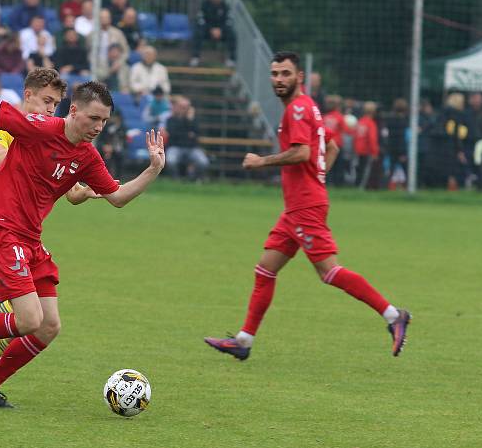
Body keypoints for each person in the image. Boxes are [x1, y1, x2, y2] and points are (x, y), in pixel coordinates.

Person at [0, 77, 167, 408]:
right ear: (74, 111)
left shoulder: (87, 156)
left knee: (49, 326)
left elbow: (116, 197)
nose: (99, 127)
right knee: (28, 319)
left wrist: (153, 169)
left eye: (104, 121)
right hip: (1, 230)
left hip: (30, 239)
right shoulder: (41, 128)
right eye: (93, 118)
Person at [204, 51, 411, 361]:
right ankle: (244, 340)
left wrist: (262, 161)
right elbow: (331, 145)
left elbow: (301, 153)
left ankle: (394, 316)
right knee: (265, 269)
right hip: (298, 206)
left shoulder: (298, 110)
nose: (278, 79)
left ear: (299, 77)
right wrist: (318, 179)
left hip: (304, 206)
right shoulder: (308, 107)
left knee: (329, 272)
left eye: (285, 73)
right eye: (274, 74)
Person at [0, 69, 106, 395]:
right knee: (21, 312)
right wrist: (31, 141)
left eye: (56, 105)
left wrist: (83, 190)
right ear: (27, 95)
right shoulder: (5, 128)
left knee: (42, 320)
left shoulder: (46, 135)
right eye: (46, 101)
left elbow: (66, 190)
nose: (50, 110)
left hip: (23, 235)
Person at [164, 95, 208, 181]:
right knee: (171, 161)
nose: (185, 109)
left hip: (192, 148)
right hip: (175, 147)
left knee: (203, 162)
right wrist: (188, 134)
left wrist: (189, 121)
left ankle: (193, 179)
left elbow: (197, 133)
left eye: (187, 107)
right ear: (177, 107)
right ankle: (175, 180)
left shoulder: (193, 120)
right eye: (182, 107)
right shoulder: (171, 119)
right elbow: (173, 134)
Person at [191, 0, 236, 68]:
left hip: (221, 32)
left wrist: (220, 30)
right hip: (208, 31)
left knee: (232, 33)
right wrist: (211, 29)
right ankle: (195, 57)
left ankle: (232, 59)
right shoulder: (205, 5)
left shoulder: (225, 6)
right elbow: (200, 19)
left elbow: (229, 21)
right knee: (198, 32)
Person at [353, 101, 380, 189]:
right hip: (366, 150)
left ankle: (356, 186)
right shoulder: (371, 123)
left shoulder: (360, 121)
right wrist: (374, 152)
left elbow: (355, 135)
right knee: (365, 170)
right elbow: (372, 139)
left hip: (357, 149)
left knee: (358, 169)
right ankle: (361, 187)